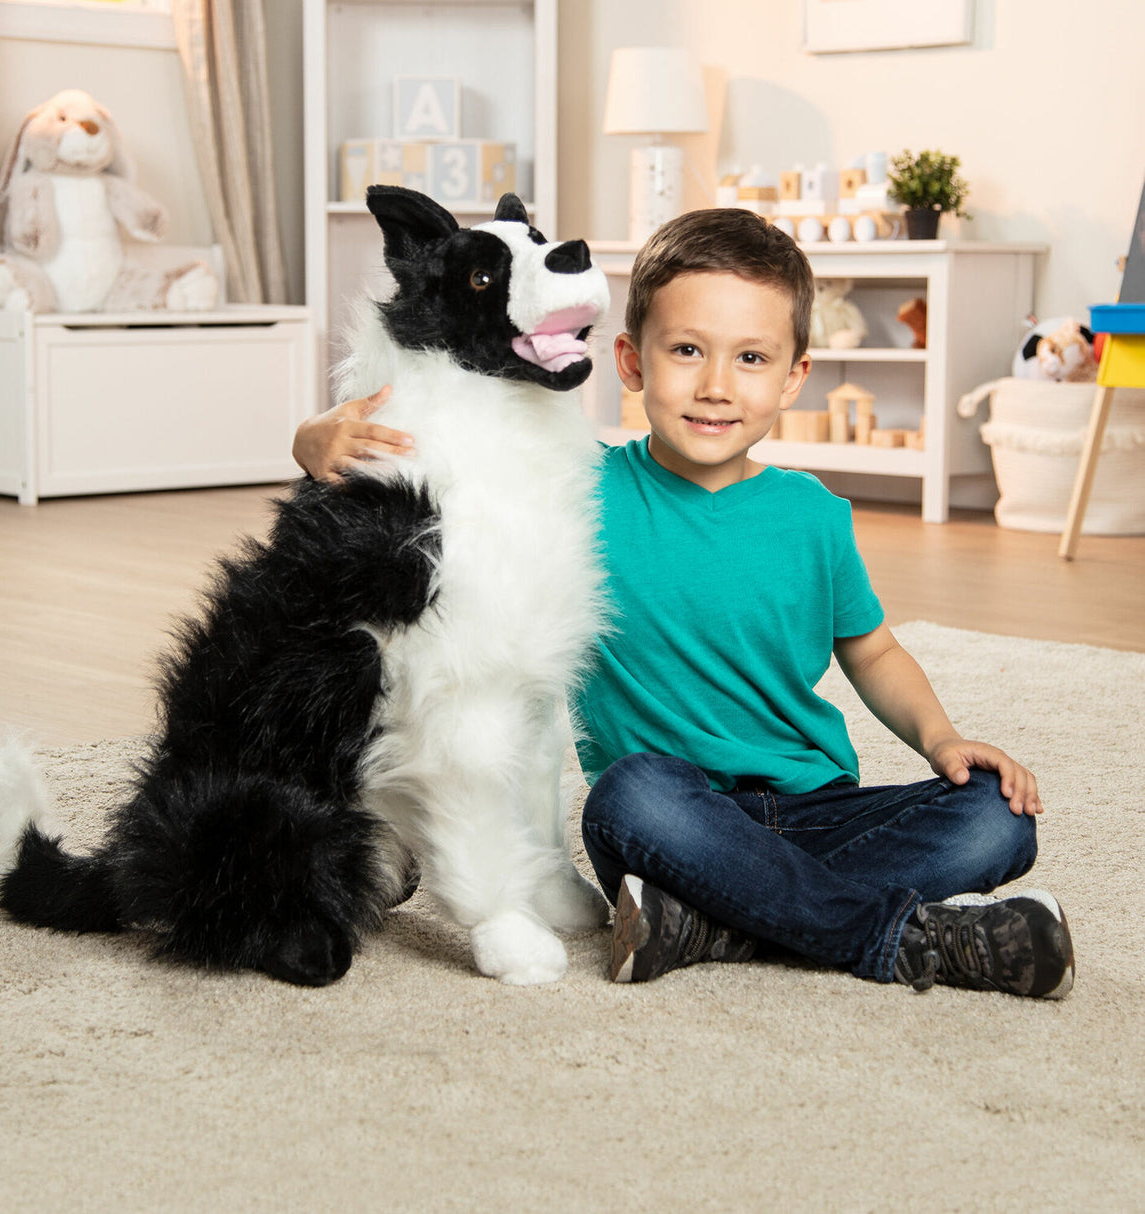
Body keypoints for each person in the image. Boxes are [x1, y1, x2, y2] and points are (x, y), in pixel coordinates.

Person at [293, 208, 1075, 1000]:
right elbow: (448, 448)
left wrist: (942, 739)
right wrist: (312, 442)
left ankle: (717, 923)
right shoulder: (576, 485)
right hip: (672, 820)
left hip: (817, 809)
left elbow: (872, 651)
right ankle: (896, 936)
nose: (716, 386)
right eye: (688, 351)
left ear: (794, 376)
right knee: (628, 796)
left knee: (997, 816)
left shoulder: (815, 515)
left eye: (751, 358)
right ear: (631, 362)